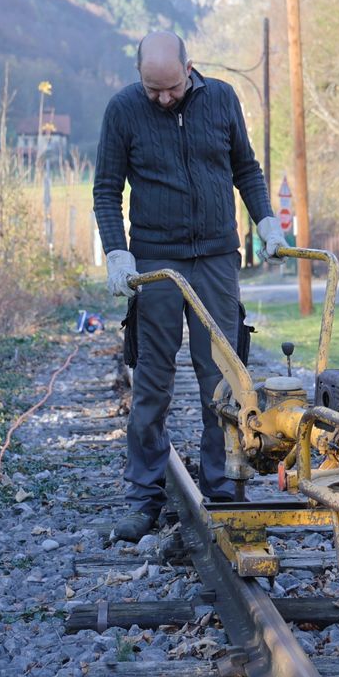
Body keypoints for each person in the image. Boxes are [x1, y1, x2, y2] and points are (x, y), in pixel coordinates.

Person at [93, 31, 287, 542]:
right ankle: (143, 497)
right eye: (152, 89)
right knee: (152, 384)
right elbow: (106, 190)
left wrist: (265, 221)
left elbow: (246, 168)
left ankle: (223, 487)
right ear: (140, 76)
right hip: (155, 262)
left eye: (171, 88)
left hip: (217, 258)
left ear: (189, 69)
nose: (162, 98)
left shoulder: (221, 98)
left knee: (222, 380)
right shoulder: (123, 111)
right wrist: (117, 251)